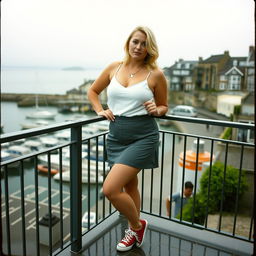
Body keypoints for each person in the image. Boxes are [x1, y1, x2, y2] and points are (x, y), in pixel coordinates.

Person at [87, 26, 168, 252]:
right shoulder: (114, 67)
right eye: (135, 42)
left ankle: (136, 225)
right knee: (130, 185)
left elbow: (164, 106)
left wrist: (157, 109)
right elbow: (93, 91)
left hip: (143, 135)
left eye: (144, 44)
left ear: (149, 48)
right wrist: (99, 109)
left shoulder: (156, 74)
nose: (139, 47)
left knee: (110, 189)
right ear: (128, 43)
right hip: (116, 136)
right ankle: (134, 232)